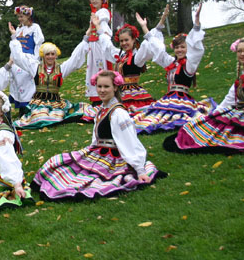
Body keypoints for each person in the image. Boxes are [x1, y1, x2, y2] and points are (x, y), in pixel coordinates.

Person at [32, 71, 164, 200]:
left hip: (113, 157)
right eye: (99, 86)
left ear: (115, 87)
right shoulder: (102, 109)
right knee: (56, 162)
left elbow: (130, 142)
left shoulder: (118, 113)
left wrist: (140, 170)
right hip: (98, 152)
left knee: (88, 179)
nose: (102, 90)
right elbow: (96, 138)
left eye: (106, 87)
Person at [164, 37, 244, 153]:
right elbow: (230, 97)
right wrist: (216, 112)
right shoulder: (243, 75)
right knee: (202, 126)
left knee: (225, 134)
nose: (242, 54)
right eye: (239, 51)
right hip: (240, 110)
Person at [133, 4, 216, 134]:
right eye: (177, 47)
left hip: (183, 99)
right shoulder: (171, 63)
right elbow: (158, 50)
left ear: (188, 48)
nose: (179, 50)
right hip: (169, 97)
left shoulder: (189, 65)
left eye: (183, 47)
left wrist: (197, 22)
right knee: (153, 114)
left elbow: (197, 50)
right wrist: (144, 27)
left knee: (173, 116)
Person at [8, 35, 88, 129]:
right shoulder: (35, 68)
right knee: (40, 117)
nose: (50, 57)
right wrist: (14, 38)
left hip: (56, 102)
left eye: (52, 54)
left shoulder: (61, 69)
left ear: (56, 55)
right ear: (43, 56)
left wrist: (85, 39)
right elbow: (20, 58)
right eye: (47, 54)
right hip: (39, 102)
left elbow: (75, 59)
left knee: (76, 110)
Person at [87, 14, 156, 116]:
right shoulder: (122, 55)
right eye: (121, 41)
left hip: (132, 92)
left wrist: (144, 27)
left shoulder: (137, 57)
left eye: (126, 40)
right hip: (119, 91)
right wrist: (98, 26)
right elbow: (107, 45)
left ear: (133, 40)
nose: (124, 43)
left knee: (130, 112)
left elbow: (150, 46)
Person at [7, 5, 45, 115]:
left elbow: (38, 43)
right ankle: (21, 107)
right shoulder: (18, 29)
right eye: (18, 17)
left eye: (22, 16)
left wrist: (36, 58)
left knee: (28, 82)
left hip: (30, 58)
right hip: (18, 59)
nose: (20, 19)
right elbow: (15, 44)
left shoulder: (35, 28)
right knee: (18, 81)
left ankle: (29, 106)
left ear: (28, 16)